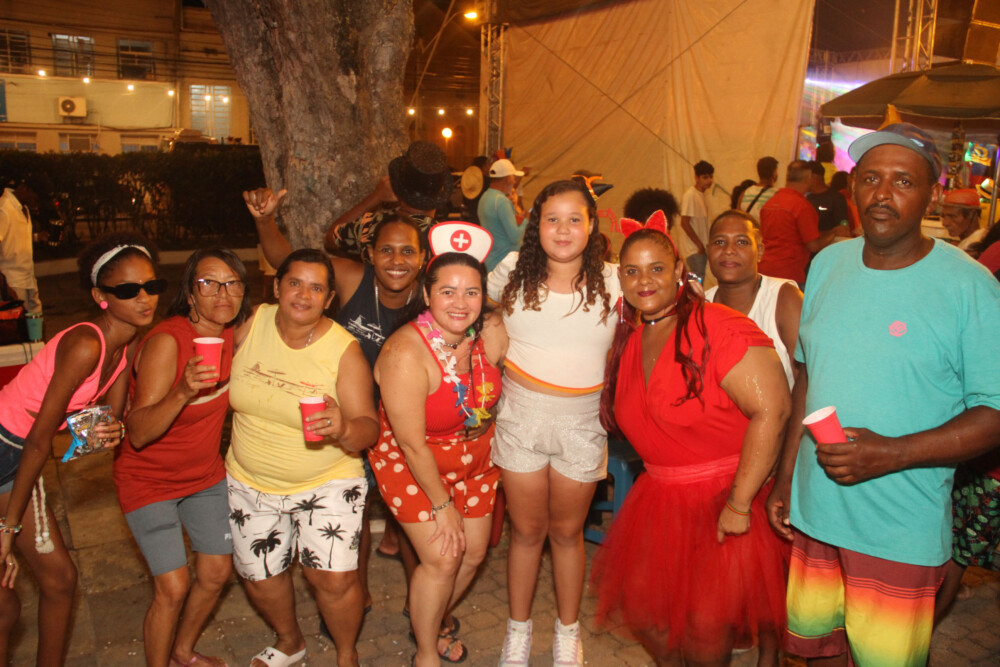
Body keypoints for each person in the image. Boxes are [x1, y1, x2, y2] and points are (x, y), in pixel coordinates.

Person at [766, 123, 1000, 666]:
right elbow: (808, 377)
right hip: (816, 512)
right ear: (852, 189)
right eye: (870, 178)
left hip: (898, 527)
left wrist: (891, 453)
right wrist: (785, 476)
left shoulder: (968, 286)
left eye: (903, 181)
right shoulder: (828, 264)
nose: (883, 194)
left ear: (932, 196)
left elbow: (995, 412)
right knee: (817, 652)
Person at [247, 189, 464, 640]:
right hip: (351, 419)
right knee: (356, 513)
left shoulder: (430, 298)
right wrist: (266, 221)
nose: (397, 260)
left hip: (409, 427)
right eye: (386, 250)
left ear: (423, 258)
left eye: (408, 251)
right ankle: (357, 598)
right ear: (370, 254)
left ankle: (423, 605)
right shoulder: (351, 279)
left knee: (414, 518)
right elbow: (288, 262)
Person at [592, 222, 791, 665]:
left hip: (725, 498)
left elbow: (774, 410)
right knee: (649, 618)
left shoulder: (719, 326)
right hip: (660, 499)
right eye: (632, 271)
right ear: (620, 278)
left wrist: (739, 503)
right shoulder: (632, 340)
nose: (644, 281)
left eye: (657, 268)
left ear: (679, 270)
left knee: (705, 633)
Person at [0, 233, 161, 665]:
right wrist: (9, 527)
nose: (144, 298)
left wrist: (115, 429)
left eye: (151, 285)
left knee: (58, 582)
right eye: (128, 290)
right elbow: (39, 439)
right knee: (8, 606)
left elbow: (111, 416)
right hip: (8, 447)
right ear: (100, 296)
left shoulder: (126, 342)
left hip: (19, 456)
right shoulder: (86, 344)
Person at [226, 249, 378, 667]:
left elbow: (369, 427)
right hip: (249, 480)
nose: (303, 295)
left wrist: (343, 428)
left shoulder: (344, 349)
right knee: (259, 575)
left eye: (316, 288)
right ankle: (290, 641)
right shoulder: (251, 323)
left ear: (329, 299)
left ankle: (346, 655)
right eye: (294, 283)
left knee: (332, 580)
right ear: (277, 287)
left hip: (327, 480)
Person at [490, 179, 620, 666]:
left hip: (583, 424)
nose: (563, 230)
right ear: (535, 225)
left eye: (574, 219)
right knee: (526, 532)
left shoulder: (615, 280)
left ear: (592, 225)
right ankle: (517, 633)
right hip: (520, 416)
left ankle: (568, 634)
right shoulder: (510, 272)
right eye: (551, 219)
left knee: (567, 534)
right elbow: (475, 311)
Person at [371, 223, 507, 667]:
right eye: (447, 291)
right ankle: (426, 652)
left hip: (476, 459)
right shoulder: (405, 354)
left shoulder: (489, 334)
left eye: (471, 292)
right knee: (444, 560)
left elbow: (503, 387)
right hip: (414, 463)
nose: (460, 303)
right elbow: (411, 445)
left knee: (474, 554)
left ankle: (431, 615)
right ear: (427, 295)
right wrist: (442, 505)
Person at [115, 248, 251, 667]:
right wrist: (183, 391)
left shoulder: (234, 333)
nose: (222, 294)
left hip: (204, 476)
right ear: (190, 294)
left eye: (232, 283)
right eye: (209, 283)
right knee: (172, 588)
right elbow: (139, 432)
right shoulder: (167, 341)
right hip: (148, 480)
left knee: (216, 573)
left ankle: (181, 650)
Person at [704, 209, 802, 388]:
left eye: (742, 242)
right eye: (720, 242)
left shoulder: (784, 298)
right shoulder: (701, 306)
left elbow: (806, 377)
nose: (729, 250)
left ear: (760, 251)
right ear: (708, 250)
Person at [324, 140, 451, 262]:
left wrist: (375, 197)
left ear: (396, 187)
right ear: (442, 190)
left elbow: (331, 239)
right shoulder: (447, 238)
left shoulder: (371, 227)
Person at [757, 160, 837, 286]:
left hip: (764, 269)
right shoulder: (802, 206)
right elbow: (814, 245)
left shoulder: (770, 203)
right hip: (789, 273)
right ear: (808, 179)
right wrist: (833, 234)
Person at [0, 182, 41, 313]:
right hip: (12, 281)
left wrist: (37, 237)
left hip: (28, 278)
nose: (36, 202)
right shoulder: (4, 209)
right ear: (25, 189)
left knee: (35, 320)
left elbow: (15, 238)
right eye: (35, 197)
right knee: (17, 322)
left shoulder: (23, 208)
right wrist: (4, 285)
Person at [480, 158, 526, 271]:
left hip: (491, 259)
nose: (514, 182)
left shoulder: (484, 197)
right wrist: (526, 220)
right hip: (505, 262)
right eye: (513, 178)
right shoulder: (501, 201)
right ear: (508, 179)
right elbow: (515, 237)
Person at [676, 160, 714, 280]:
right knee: (696, 282)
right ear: (696, 177)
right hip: (694, 250)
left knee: (698, 281)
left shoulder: (701, 196)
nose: (709, 180)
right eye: (705, 177)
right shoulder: (690, 195)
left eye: (711, 177)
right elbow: (684, 223)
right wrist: (699, 245)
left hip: (700, 249)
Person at [805, 161, 851, 239]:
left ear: (813, 177)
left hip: (831, 243)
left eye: (804, 177)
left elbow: (843, 226)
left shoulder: (836, 198)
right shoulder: (806, 199)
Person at [939, 188, 986, 254]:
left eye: (952, 216)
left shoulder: (974, 248)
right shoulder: (972, 242)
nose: (945, 223)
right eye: (943, 216)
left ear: (971, 214)